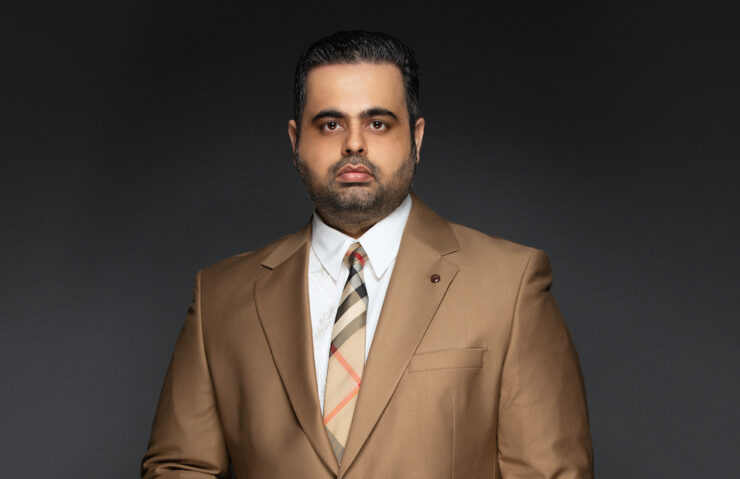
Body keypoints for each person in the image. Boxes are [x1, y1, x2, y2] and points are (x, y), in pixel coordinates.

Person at [141, 30, 594, 478]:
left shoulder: (509, 285)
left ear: (416, 138)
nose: (354, 144)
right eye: (330, 124)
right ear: (295, 141)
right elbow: (179, 467)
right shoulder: (221, 296)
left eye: (378, 123)